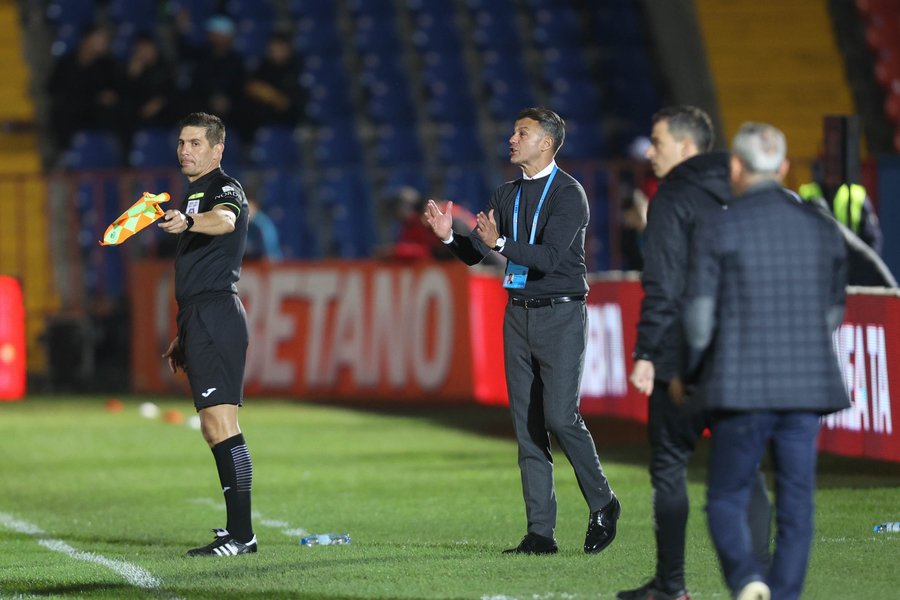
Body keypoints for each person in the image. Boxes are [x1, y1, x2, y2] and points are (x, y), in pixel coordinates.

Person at [425, 108, 620, 555]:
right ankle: (540, 533)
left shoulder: (570, 194)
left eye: (522, 133)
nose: (511, 139)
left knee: (559, 417)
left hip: (561, 314)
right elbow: (477, 254)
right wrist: (449, 238)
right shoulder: (506, 192)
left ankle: (603, 501)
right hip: (518, 313)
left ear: (546, 143)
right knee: (528, 428)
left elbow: (549, 257)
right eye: (514, 132)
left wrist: (498, 244)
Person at [680, 122, 849, 600]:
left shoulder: (720, 226)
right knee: (797, 504)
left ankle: (747, 581)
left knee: (726, 499)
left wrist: (692, 373)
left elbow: (698, 320)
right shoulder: (821, 227)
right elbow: (833, 312)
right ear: (785, 168)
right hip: (806, 386)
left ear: (736, 166)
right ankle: (786, 595)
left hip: (740, 386)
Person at [621, 106, 771, 600]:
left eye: (657, 141)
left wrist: (646, 351)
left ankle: (672, 586)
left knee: (669, 464)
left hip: (683, 356)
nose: (650, 150)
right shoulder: (745, 192)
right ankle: (757, 582)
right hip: (746, 352)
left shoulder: (673, 199)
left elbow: (663, 283)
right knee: (745, 468)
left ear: (686, 148)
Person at [159, 112, 256, 557]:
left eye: (195, 143)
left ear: (217, 149)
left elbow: (226, 221)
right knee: (214, 428)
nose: (185, 150)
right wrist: (184, 331)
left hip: (216, 315)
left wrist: (189, 222)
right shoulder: (195, 191)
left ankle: (242, 536)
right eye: (182, 143)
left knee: (221, 426)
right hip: (201, 316)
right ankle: (238, 532)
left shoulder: (222, 188)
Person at [47, 25, 122, 151]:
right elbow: (52, 88)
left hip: (98, 114)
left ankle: (113, 155)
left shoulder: (107, 65)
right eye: (100, 38)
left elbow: (117, 90)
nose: (104, 42)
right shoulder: (67, 64)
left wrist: (112, 96)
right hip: (73, 114)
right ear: (86, 40)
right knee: (62, 111)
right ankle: (67, 156)